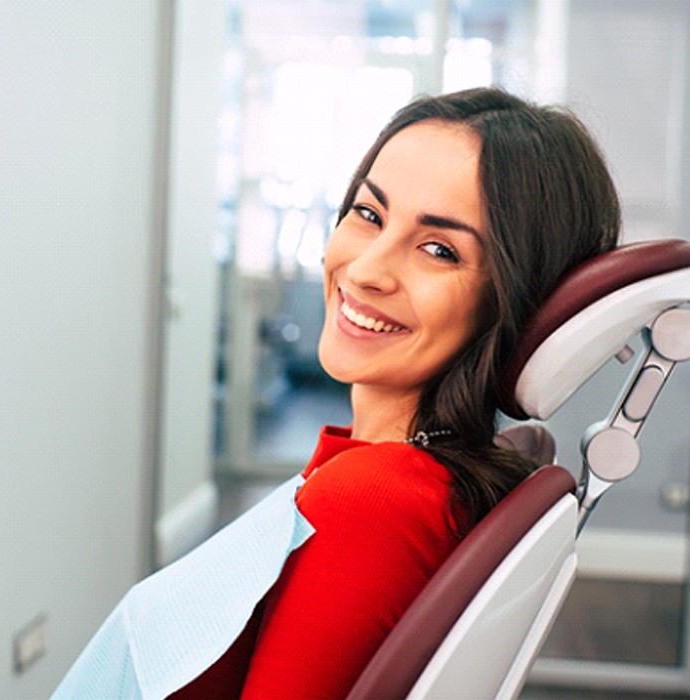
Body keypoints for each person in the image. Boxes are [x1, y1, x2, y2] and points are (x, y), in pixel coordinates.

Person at [52, 86, 620, 700]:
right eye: (368, 214)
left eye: (439, 249)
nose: (366, 269)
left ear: (518, 299)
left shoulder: (375, 501)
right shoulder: (399, 477)